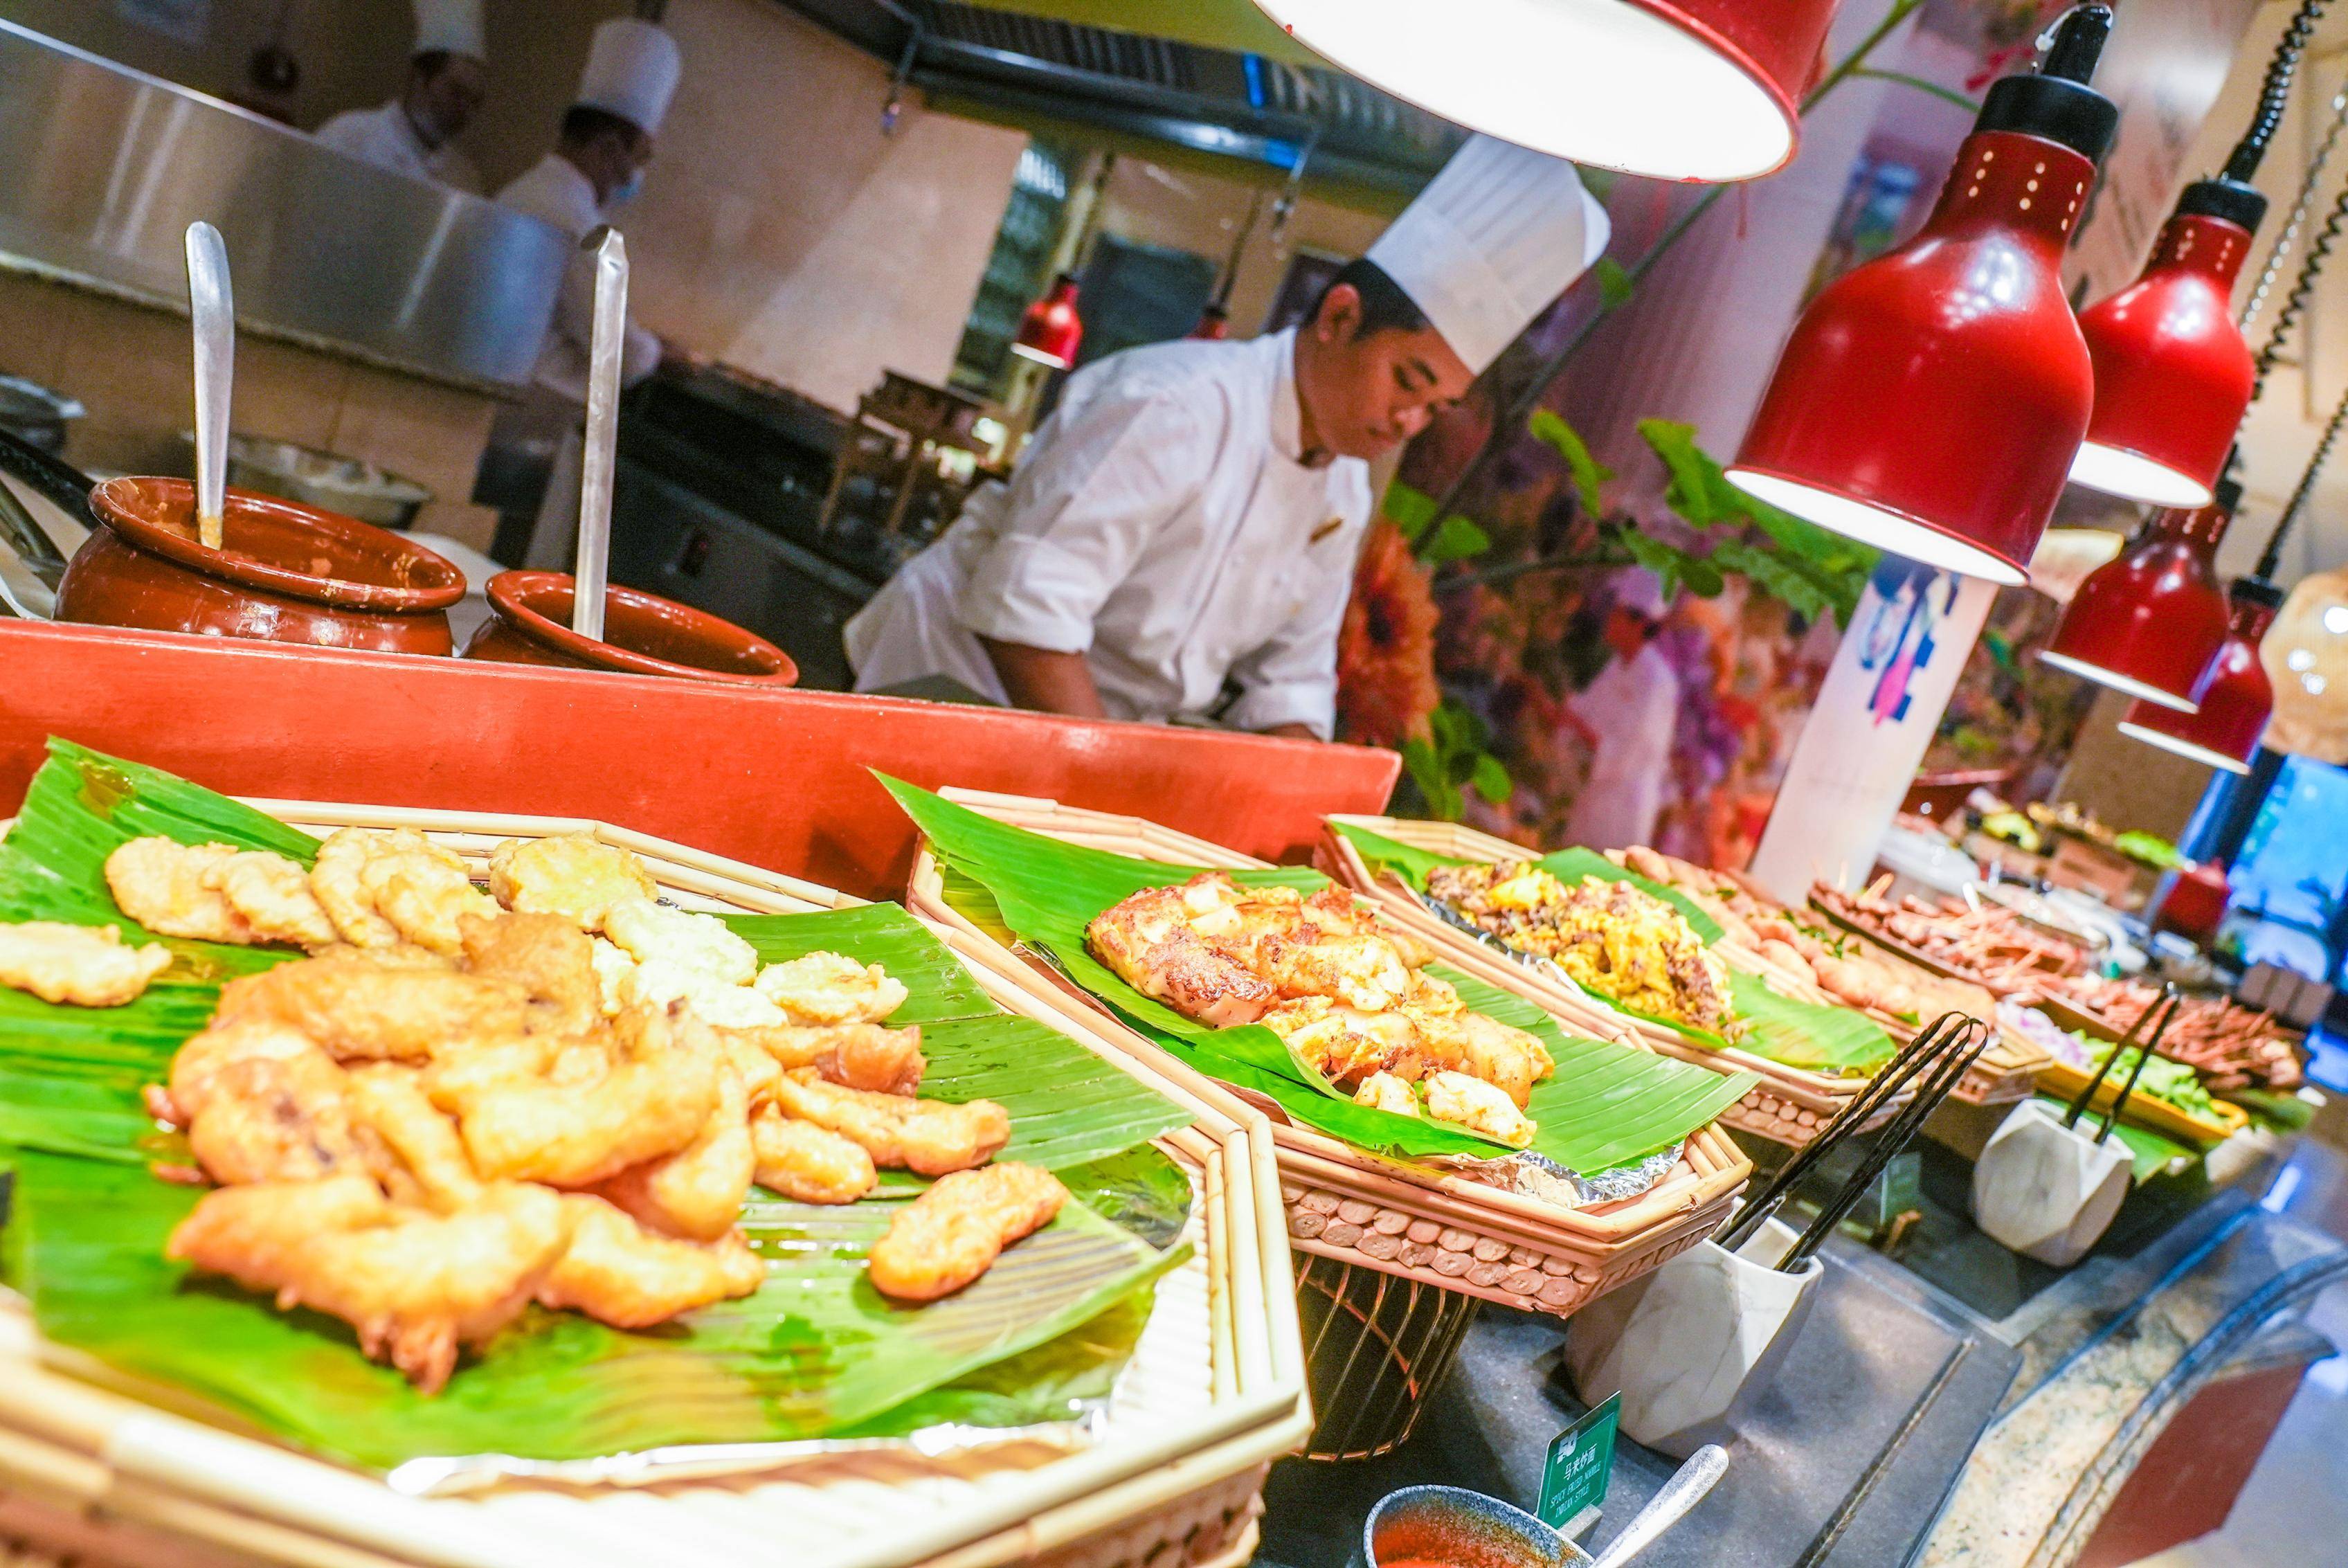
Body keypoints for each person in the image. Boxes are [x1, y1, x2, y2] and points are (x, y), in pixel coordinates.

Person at [844, 135, 1611, 740]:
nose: (1408, 423)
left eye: (1434, 407)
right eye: (1407, 381)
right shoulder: (1173, 405)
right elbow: (1026, 616)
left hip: (1085, 743)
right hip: (944, 693)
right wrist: (1102, 790)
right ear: (1338, 317)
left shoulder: (1340, 485)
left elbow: (1292, 682)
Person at [493, 17, 678, 569]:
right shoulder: (577, 224)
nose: (637, 174)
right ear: (608, 146)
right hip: (531, 438)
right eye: (639, 157)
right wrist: (663, 353)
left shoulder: (523, 190)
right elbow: (615, 351)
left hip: (498, 421)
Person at [313, 0, 487, 193]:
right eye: (456, 92)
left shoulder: (465, 179)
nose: (465, 111)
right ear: (420, 80)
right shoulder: (349, 137)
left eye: (474, 101)